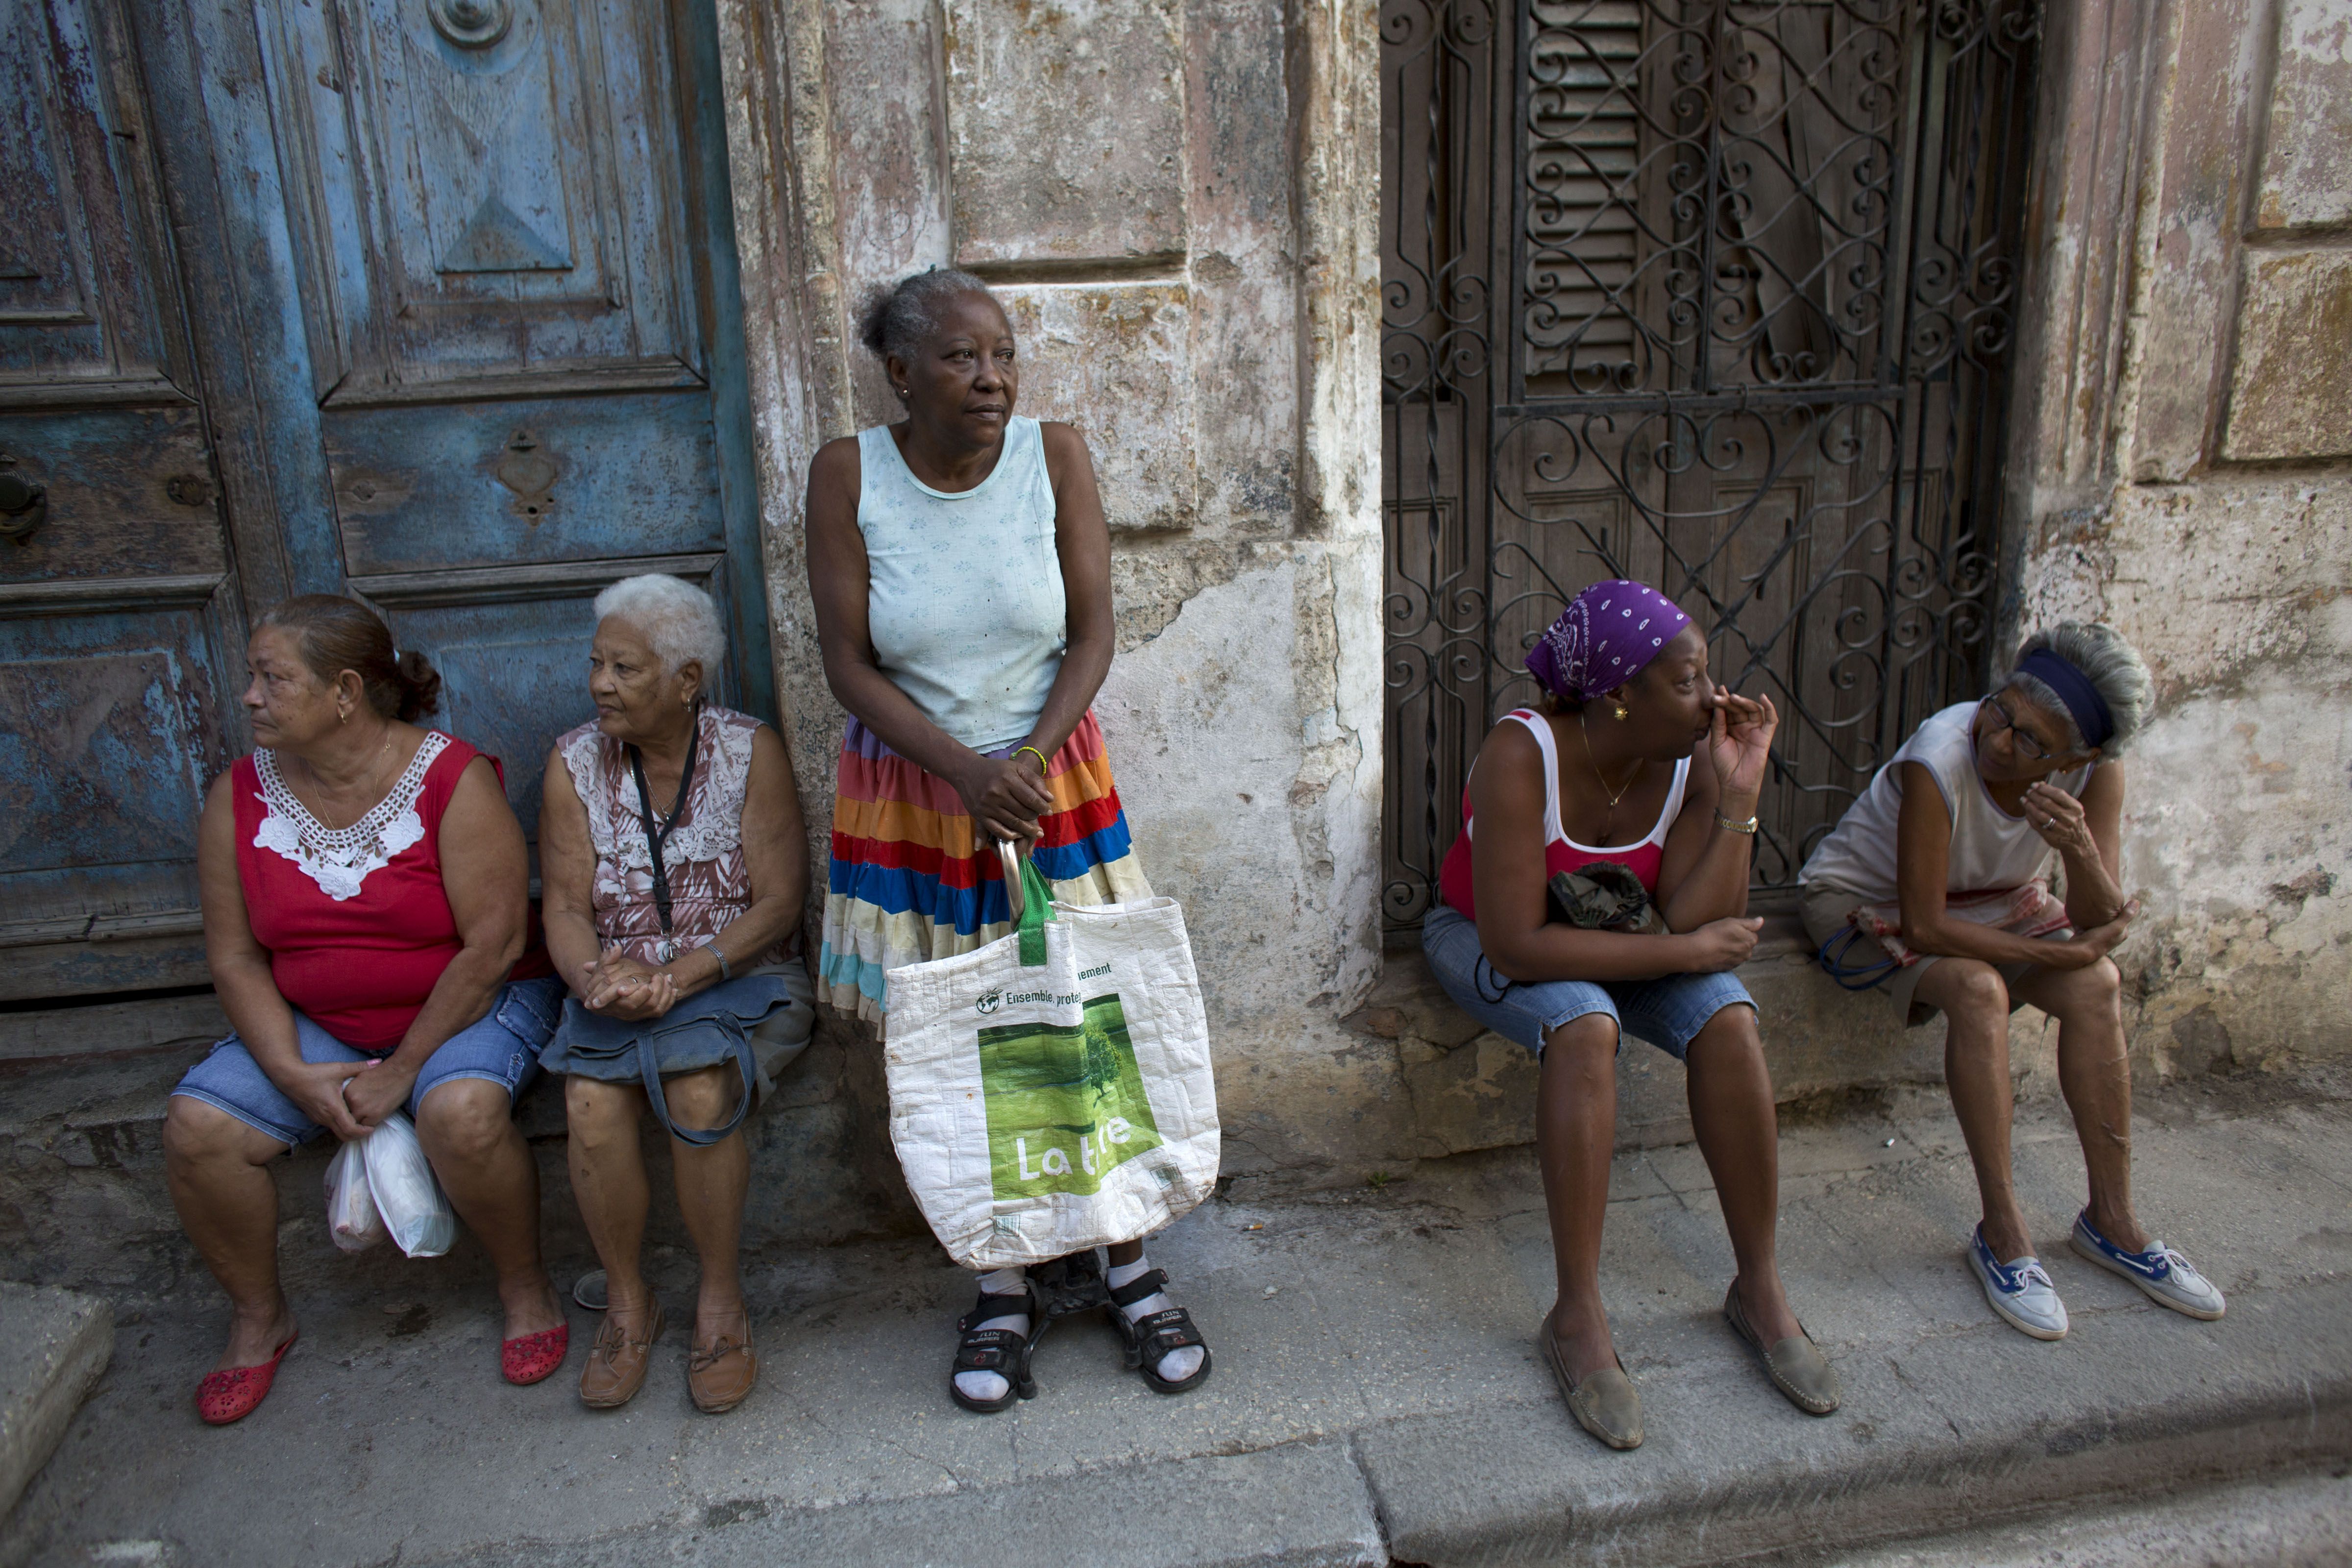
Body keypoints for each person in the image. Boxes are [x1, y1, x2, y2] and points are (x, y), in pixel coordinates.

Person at [803, 267, 1209, 1413]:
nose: (992, 379)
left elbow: (1092, 634)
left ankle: (1127, 1260)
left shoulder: (1056, 455)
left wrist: (1019, 765)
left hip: (1047, 777)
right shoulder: (849, 475)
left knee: (1084, 1012)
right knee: (957, 1030)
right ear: (901, 373)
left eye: (1003, 355)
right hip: (918, 790)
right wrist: (962, 770)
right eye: (961, 358)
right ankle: (1001, 1281)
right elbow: (849, 663)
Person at [1421, 580, 1837, 1451]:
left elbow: (1694, 917)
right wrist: (1683, 955)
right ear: (1617, 695)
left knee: (1728, 1015)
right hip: (1485, 934)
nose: (1716, 698)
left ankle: (1758, 1288)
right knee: (1584, 1024)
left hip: (1624, 931)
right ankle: (1576, 1316)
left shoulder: (1690, 759)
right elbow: (1520, 947)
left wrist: (1737, 799)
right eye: (1689, 681)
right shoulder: (1520, 754)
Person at [164, 597, 569, 1425]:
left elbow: (489, 950)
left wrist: (404, 1073)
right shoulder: (236, 796)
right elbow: (237, 956)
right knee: (197, 1130)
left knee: (459, 1114)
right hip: (318, 1022)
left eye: (271, 679)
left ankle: (526, 1287)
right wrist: (289, 1073)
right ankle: (258, 1318)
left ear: (345, 690)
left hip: (463, 1006)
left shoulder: (450, 780)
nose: (249, 696)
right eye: (254, 677)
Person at [1800, 622, 2224, 1339]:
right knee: (1980, 990)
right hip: (1864, 904)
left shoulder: (2096, 772)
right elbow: (1926, 925)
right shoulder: (1941, 755)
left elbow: (2100, 917)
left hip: (1996, 902)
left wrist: (2081, 851)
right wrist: (2060, 955)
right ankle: (2003, 1234)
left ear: (2076, 757)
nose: (2001, 741)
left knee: (2098, 987)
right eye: (2001, 712)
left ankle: (2112, 1222)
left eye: (2032, 742)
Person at [538, 573, 813, 1414]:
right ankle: (628, 1304)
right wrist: (595, 977)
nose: (600, 686)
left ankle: (720, 1302)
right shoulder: (572, 763)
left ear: (687, 680)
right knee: (588, 1099)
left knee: (698, 1088)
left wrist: (681, 975)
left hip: (737, 975)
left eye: (624, 669)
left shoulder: (746, 750)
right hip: (617, 983)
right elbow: (563, 904)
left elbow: (777, 904)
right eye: (597, 665)